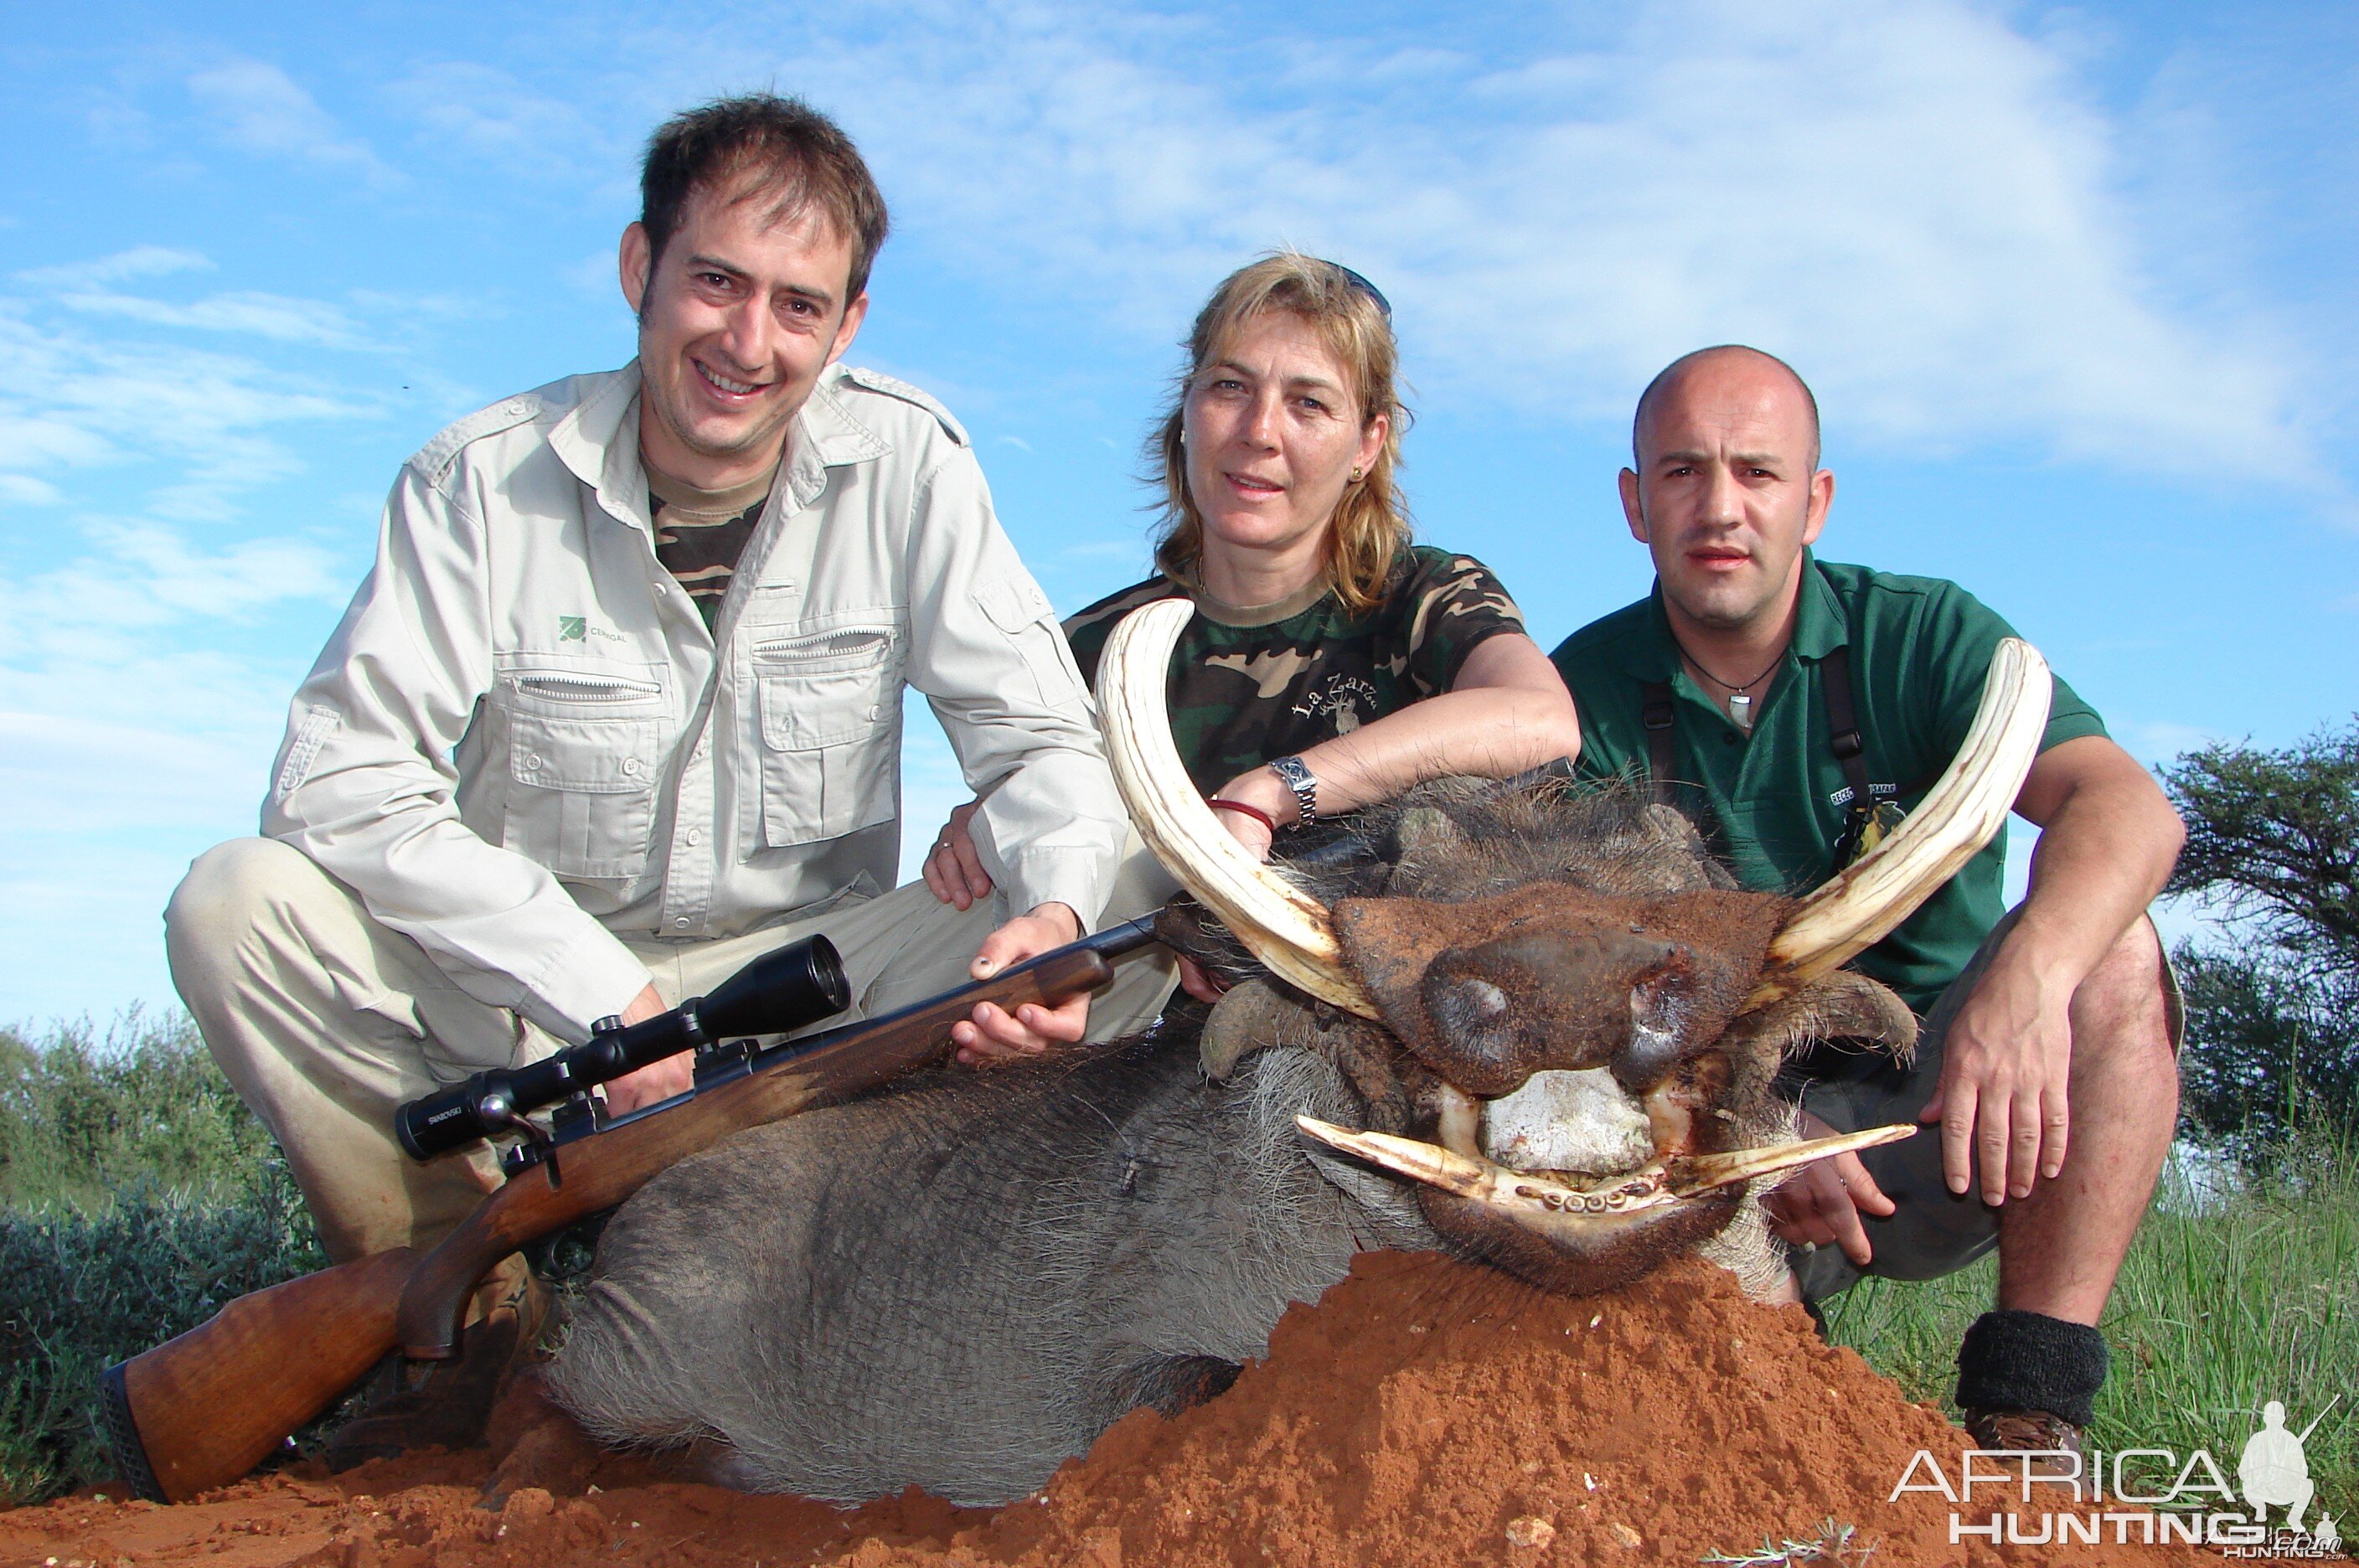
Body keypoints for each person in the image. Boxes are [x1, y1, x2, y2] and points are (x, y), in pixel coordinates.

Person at [162, 95, 1148, 1457]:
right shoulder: (480, 478)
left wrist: (1050, 918)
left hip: (797, 1016)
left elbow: (1045, 747)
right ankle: (457, 1306)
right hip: (541, 1023)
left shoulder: (912, 464)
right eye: (716, 283)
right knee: (235, 905)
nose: (749, 343)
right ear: (640, 269)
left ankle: (911, 1308)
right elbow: (337, 778)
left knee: (1136, 897)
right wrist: (605, 1003)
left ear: (848, 326)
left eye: (798, 306)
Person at [1550, 345, 2184, 1455]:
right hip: (1720, 1133)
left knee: (2116, 955)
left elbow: (2129, 811)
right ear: (1634, 503)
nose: (1722, 507)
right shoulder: (1575, 696)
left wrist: (2027, 980)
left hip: (1955, 1108)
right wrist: (1743, 1117)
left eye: (1758, 472)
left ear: (1817, 501)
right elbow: (1569, 985)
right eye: (1684, 472)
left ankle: (2033, 1409)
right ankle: (1789, 1411)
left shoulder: (1928, 636)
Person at [921, 252, 1582, 1047]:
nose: (1259, 433)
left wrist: (1263, 797)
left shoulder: (1426, 599)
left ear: (1368, 443)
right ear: (1188, 409)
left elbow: (1540, 722)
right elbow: (1043, 801)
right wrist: (990, 827)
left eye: (1309, 403)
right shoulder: (1092, 647)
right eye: (1230, 387)